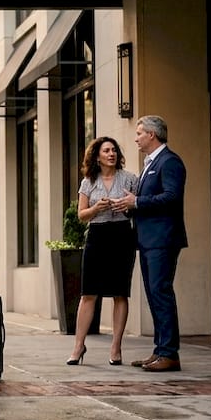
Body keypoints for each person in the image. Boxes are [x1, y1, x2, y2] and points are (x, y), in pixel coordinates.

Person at [112, 115, 187, 372]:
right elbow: (147, 201)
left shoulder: (170, 161)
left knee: (160, 293)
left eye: (139, 133)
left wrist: (137, 202)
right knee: (154, 295)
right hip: (147, 240)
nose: (136, 138)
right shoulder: (150, 163)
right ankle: (159, 350)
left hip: (162, 240)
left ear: (152, 135)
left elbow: (172, 197)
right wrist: (129, 205)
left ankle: (169, 353)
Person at [66, 137, 139, 366]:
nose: (111, 154)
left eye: (114, 150)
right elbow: (81, 215)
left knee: (120, 293)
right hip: (97, 236)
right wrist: (96, 208)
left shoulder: (130, 179)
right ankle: (78, 346)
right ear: (97, 156)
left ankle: (116, 347)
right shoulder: (88, 182)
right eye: (106, 150)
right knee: (88, 293)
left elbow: (137, 208)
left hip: (122, 236)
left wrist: (126, 207)